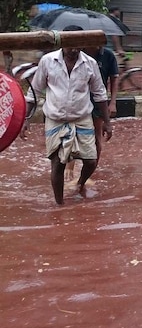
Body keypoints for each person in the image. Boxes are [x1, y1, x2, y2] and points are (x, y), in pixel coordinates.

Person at [19, 25, 113, 205]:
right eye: (71, 45)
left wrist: (107, 123)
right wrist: (26, 119)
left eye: (78, 45)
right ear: (63, 43)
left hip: (82, 118)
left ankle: (80, 183)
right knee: (58, 164)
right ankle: (59, 204)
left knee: (91, 160)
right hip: (55, 119)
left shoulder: (90, 64)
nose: (74, 50)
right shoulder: (48, 61)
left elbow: (100, 94)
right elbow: (34, 92)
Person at [64, 44, 119, 181]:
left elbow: (114, 78)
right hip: (78, 101)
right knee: (73, 135)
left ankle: (88, 172)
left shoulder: (107, 55)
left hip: (97, 102)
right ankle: (69, 170)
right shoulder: (76, 53)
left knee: (96, 137)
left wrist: (112, 102)